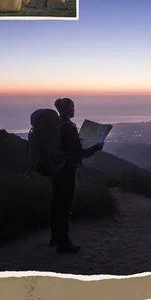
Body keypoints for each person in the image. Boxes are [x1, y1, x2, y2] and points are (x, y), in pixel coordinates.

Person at [49, 97, 103, 253]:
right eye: (72, 108)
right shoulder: (69, 127)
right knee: (66, 206)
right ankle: (64, 243)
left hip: (56, 169)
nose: (74, 110)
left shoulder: (55, 125)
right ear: (67, 110)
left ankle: (54, 238)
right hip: (68, 170)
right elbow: (78, 153)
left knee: (56, 203)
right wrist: (96, 148)